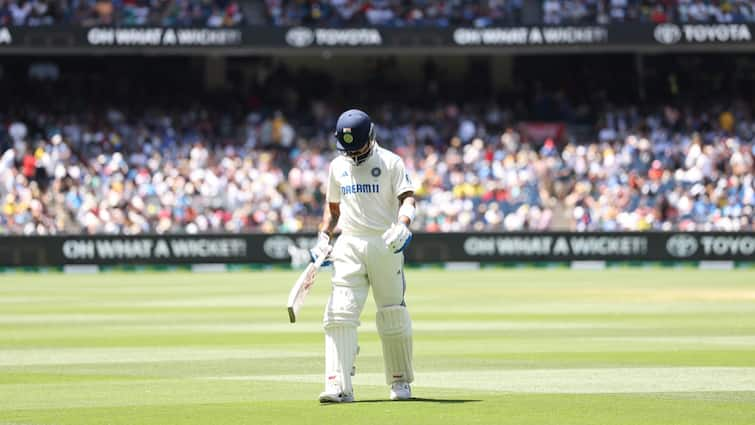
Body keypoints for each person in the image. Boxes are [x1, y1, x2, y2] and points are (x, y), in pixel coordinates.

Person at [310, 108, 416, 403]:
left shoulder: (391, 162)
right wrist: (323, 236)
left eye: (358, 147)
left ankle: (400, 382)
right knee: (339, 314)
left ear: (371, 137)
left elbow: (407, 198)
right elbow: (333, 210)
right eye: (348, 149)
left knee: (392, 314)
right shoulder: (337, 166)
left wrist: (403, 225)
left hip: (385, 243)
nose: (353, 154)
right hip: (350, 244)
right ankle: (338, 385)